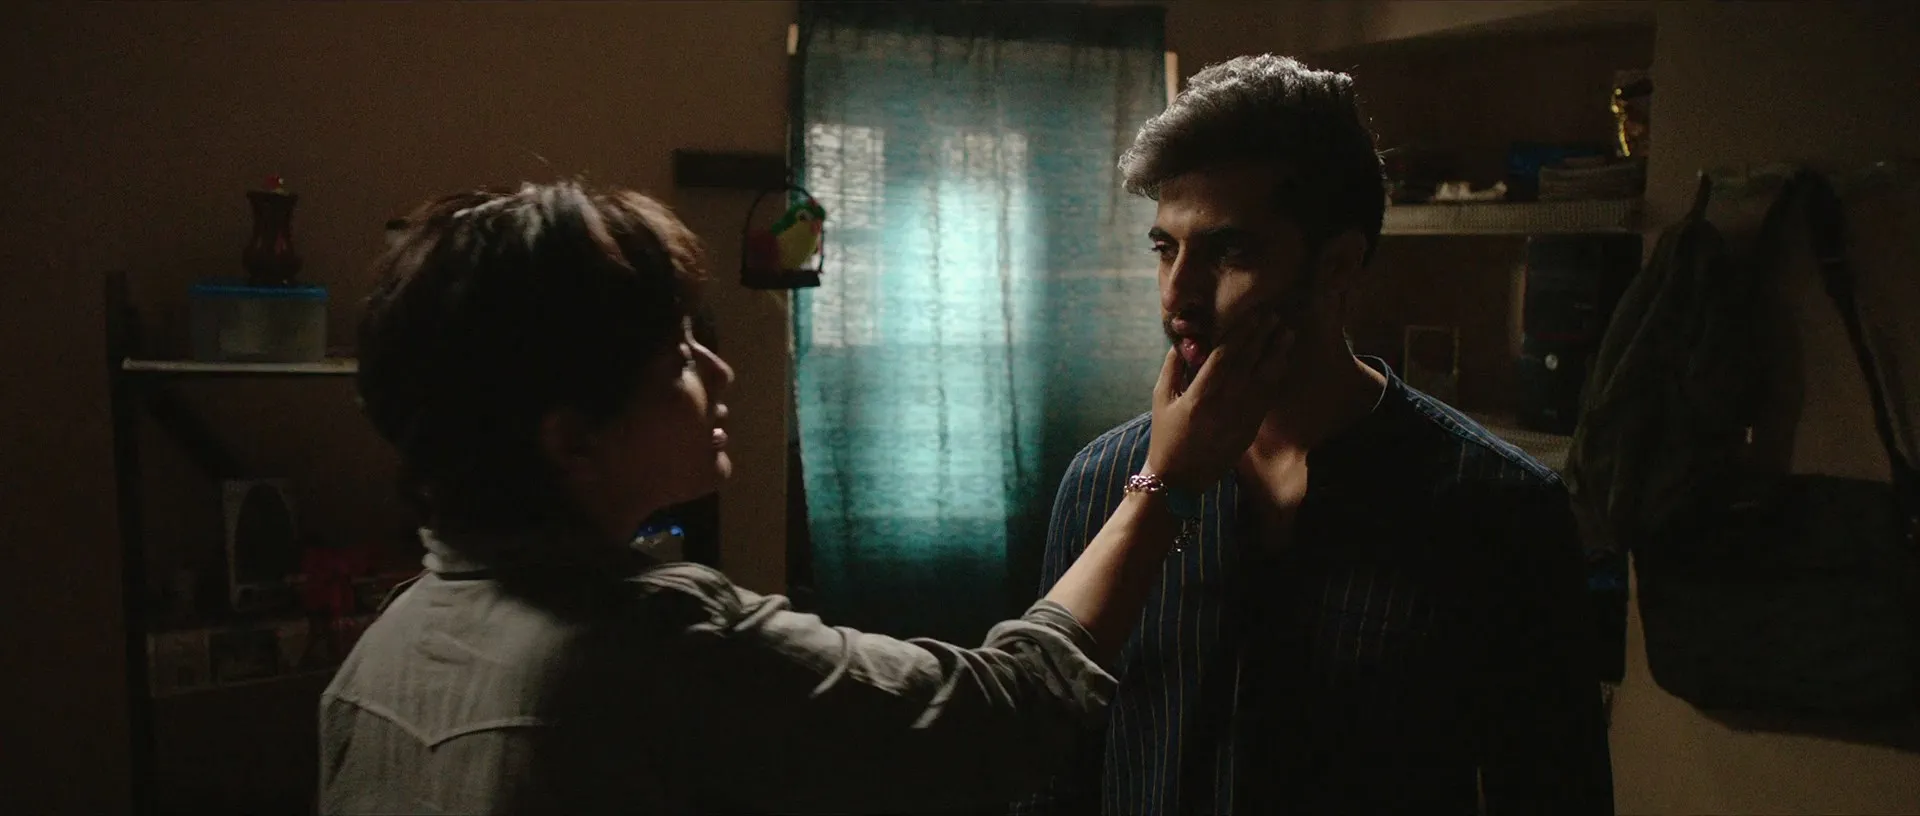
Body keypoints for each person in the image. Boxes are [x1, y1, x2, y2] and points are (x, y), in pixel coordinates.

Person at [317, 180, 1291, 815]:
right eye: (677, 357)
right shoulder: (648, 649)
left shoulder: (384, 649)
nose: (720, 372)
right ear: (570, 438)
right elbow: (1000, 716)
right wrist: (1166, 485)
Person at [1012, 55, 1614, 816]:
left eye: (1229, 251)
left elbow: (1556, 791)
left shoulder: (1500, 509)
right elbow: (1054, 775)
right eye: (1166, 248)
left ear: (1337, 265)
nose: (1178, 295)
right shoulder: (1106, 484)